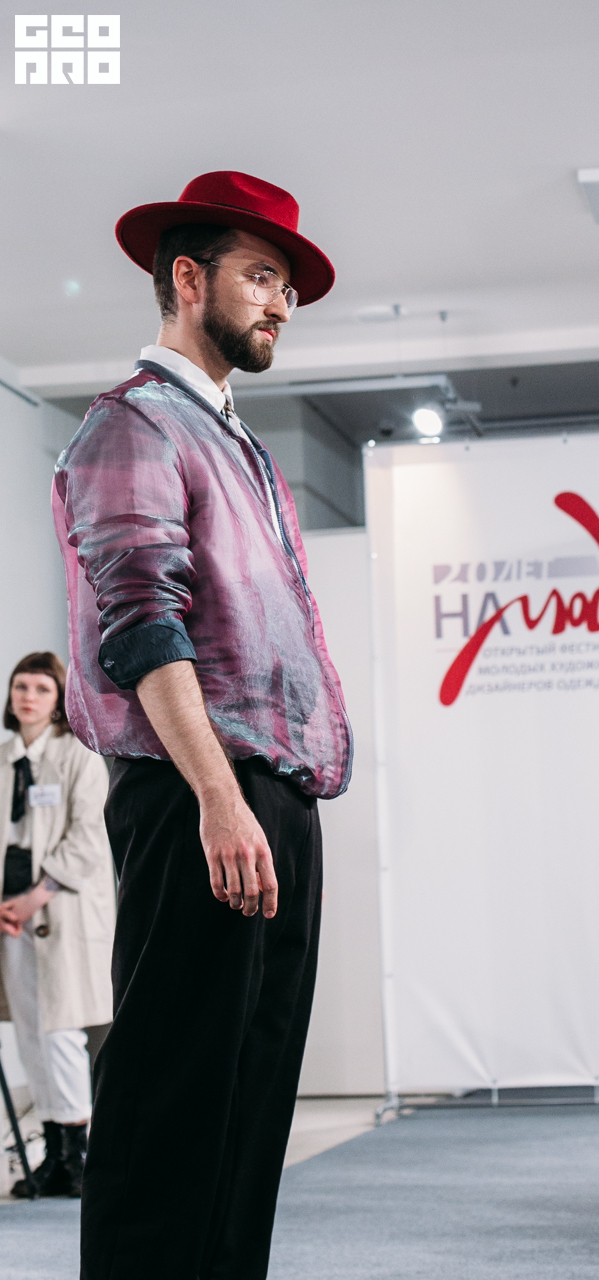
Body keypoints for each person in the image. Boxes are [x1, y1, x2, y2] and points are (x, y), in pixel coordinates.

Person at [52, 171, 352, 1280]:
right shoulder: (131, 425)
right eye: (261, 277)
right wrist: (220, 798)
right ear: (189, 279)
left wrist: (263, 801)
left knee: (247, 1103)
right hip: (199, 791)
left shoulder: (239, 445)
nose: (280, 305)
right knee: (173, 1099)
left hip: (273, 795)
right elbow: (142, 623)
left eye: (287, 288)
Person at [0, 651, 114, 1198]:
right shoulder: (4, 759)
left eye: (41, 689)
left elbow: (88, 838)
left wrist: (37, 896)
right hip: (11, 918)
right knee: (29, 1033)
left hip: (60, 911)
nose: (28, 697)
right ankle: (50, 1152)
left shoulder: (79, 756)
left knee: (62, 1031)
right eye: (20, 687)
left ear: (59, 700)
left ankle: (77, 1154)